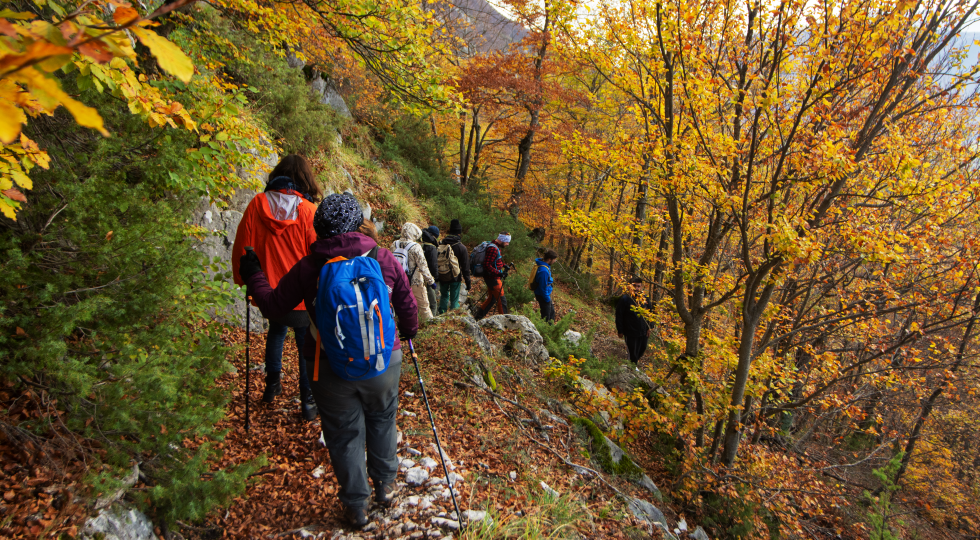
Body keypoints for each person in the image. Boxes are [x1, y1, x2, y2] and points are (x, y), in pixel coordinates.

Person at [239, 193, 417, 529]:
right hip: (384, 357)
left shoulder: (309, 267)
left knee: (343, 433)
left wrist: (254, 274)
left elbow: (274, 307)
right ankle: (386, 485)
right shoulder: (383, 258)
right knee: (382, 418)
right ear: (357, 224)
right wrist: (408, 332)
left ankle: (357, 506)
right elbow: (407, 304)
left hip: (327, 363)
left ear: (319, 228)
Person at [232, 154, 321, 422]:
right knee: (306, 344)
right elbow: (318, 255)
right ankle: (308, 401)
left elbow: (243, 247)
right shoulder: (308, 211)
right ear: (305, 179)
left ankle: (272, 386)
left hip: (269, 294)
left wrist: (244, 280)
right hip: (302, 297)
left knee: (276, 331)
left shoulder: (257, 204)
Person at [392, 223, 437, 322]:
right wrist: (431, 281)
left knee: (403, 306)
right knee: (424, 306)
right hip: (415, 282)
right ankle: (428, 326)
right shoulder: (415, 247)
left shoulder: (395, 244)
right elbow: (423, 266)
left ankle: (402, 326)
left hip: (399, 281)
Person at [474, 232, 511, 319]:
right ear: (502, 240)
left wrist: (504, 265)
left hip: (491, 277)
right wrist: (499, 273)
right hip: (493, 278)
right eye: (507, 242)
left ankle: (478, 318)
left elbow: (495, 260)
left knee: (492, 299)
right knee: (502, 300)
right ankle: (504, 322)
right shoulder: (493, 249)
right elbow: (487, 265)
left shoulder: (494, 246)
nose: (508, 244)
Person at [438, 219, 471, 314]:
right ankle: (453, 317)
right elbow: (465, 267)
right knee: (454, 300)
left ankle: (441, 315)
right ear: (459, 233)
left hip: (442, 275)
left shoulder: (441, 244)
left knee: (444, 296)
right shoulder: (461, 247)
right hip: (455, 277)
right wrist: (468, 282)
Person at [616, 277, 651, 365]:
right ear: (630, 286)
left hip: (643, 331)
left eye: (638, 286)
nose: (636, 288)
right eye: (634, 286)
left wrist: (650, 327)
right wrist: (620, 330)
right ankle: (632, 367)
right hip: (630, 331)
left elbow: (650, 313)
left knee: (642, 348)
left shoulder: (645, 298)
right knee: (632, 352)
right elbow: (619, 315)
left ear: (641, 287)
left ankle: (633, 365)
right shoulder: (625, 299)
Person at [531, 249, 558, 323]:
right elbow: (542, 287)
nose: (555, 261)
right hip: (543, 295)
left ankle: (550, 328)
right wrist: (547, 298)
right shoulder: (543, 270)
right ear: (549, 259)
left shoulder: (544, 265)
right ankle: (545, 329)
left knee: (551, 313)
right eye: (554, 259)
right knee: (546, 317)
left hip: (544, 294)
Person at [420, 225, 440, 314]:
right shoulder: (432, 248)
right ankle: (432, 321)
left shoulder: (420, 244)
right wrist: (435, 278)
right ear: (435, 236)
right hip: (428, 278)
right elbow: (433, 265)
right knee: (433, 304)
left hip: (416, 278)